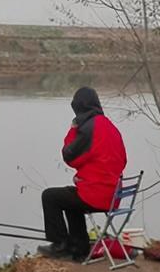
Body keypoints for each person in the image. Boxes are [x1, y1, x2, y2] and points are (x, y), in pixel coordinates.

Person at [38, 87, 127, 261]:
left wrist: (73, 129)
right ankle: (79, 249)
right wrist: (86, 177)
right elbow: (121, 160)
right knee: (71, 198)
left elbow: (69, 155)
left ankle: (60, 245)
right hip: (113, 195)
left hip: (97, 195)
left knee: (49, 196)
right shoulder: (110, 126)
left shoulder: (89, 128)